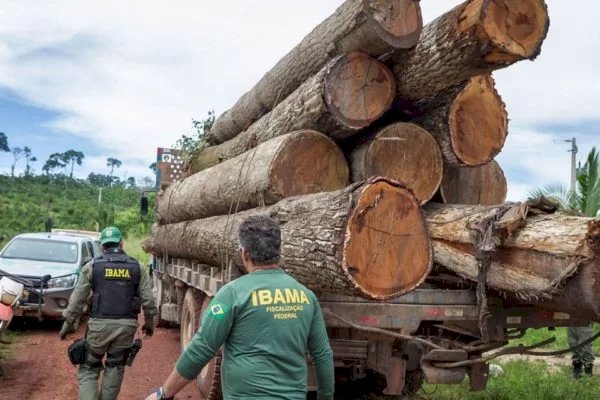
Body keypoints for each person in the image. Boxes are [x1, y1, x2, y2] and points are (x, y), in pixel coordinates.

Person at [145, 215, 334, 400]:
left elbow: (202, 348)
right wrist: (325, 396)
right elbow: (322, 354)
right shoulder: (306, 297)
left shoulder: (232, 295)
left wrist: (164, 393)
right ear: (279, 251)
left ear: (244, 254)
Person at [60, 226, 157, 400]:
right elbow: (149, 301)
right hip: (126, 328)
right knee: (115, 366)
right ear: (121, 242)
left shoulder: (92, 266)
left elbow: (77, 300)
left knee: (89, 367)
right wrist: (149, 324)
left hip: (99, 327)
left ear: (102, 246)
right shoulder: (138, 267)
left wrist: (67, 324)